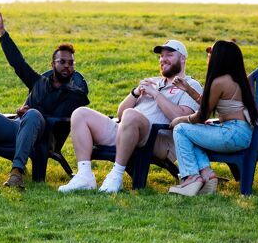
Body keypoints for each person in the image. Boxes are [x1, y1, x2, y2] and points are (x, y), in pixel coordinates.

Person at [59, 39, 202, 194]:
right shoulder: (153, 81)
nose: (163, 59)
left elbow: (181, 117)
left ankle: (116, 175)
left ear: (182, 58)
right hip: (127, 129)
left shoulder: (191, 85)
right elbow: (121, 114)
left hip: (158, 139)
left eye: (169, 54)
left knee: (131, 115)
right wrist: (135, 93)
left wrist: (155, 94)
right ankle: (84, 175)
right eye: (161, 56)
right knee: (80, 113)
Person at [0, 12, 89, 188]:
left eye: (71, 63)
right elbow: (18, 63)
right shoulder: (38, 82)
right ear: (53, 64)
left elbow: (60, 119)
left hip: (42, 134)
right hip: (17, 126)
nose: (67, 66)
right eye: (62, 62)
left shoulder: (76, 95)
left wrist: (30, 112)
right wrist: (2, 33)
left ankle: (16, 173)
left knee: (33, 115)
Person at [168, 40, 258, 196]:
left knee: (182, 130)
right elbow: (208, 104)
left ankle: (191, 177)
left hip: (232, 134)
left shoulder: (219, 81)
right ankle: (207, 175)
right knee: (194, 133)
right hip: (241, 133)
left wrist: (179, 120)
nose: (208, 56)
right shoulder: (237, 79)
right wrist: (188, 89)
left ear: (219, 57)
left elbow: (202, 115)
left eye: (210, 53)